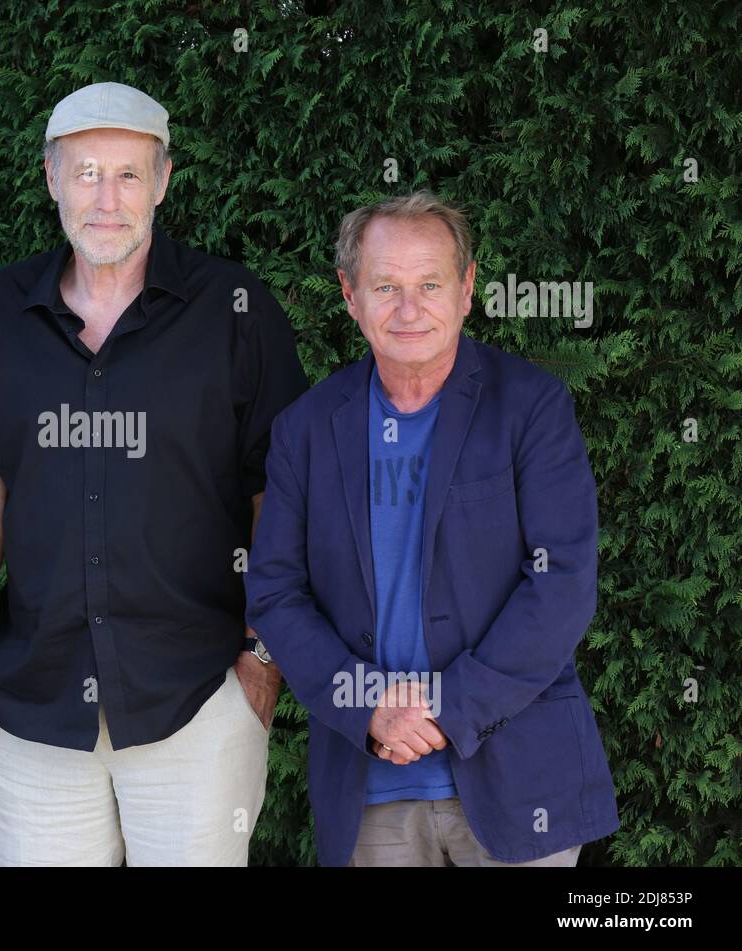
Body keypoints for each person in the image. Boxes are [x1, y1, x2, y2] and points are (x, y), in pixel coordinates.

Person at [0, 82, 308, 866]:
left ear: (164, 181)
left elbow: (281, 492)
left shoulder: (237, 309)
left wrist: (261, 663)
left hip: (200, 697)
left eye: (129, 174)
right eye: (85, 173)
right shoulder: (2, 309)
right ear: (51, 179)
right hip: (28, 702)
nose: (106, 199)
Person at [246, 191, 619, 866]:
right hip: (371, 793)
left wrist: (449, 707)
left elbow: (560, 581)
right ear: (349, 294)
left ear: (468, 289)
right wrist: (369, 707)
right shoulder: (305, 429)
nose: (409, 309)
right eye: (385, 286)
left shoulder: (532, 408)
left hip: (518, 778)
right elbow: (275, 591)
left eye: (430, 285)